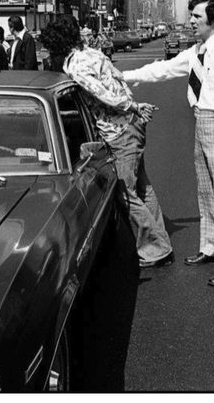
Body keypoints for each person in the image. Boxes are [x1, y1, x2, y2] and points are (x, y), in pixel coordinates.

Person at [123, 0, 214, 286]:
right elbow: (163, 69)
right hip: (201, 120)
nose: (191, 21)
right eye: (192, 15)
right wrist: (122, 76)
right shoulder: (196, 51)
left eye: (197, 16)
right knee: (205, 191)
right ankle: (210, 247)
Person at [40, 15, 173, 268]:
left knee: (124, 192)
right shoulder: (92, 53)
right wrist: (133, 107)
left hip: (118, 130)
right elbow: (118, 78)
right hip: (131, 126)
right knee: (142, 188)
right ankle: (159, 243)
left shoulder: (75, 65)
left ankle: (157, 249)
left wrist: (131, 106)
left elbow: (102, 92)